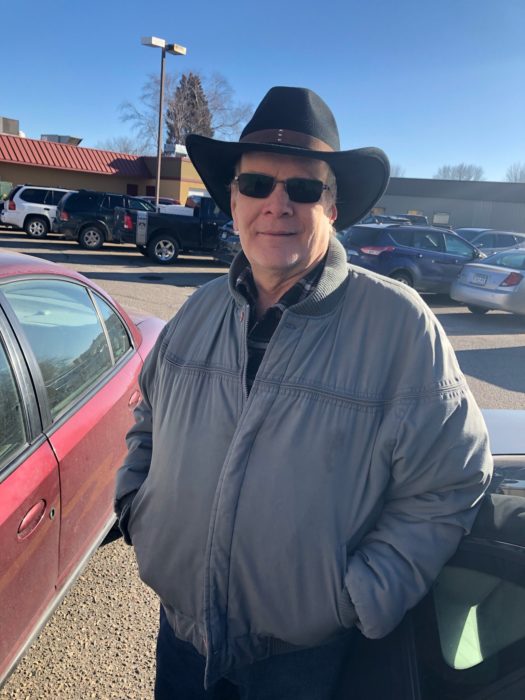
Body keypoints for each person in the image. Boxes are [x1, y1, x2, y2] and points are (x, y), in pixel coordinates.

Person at [115, 86, 492, 699]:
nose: (278, 204)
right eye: (257, 184)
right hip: (181, 641)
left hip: (302, 663)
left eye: (304, 188)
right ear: (233, 199)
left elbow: (450, 482)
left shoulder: (400, 327)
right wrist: (137, 506)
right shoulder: (197, 312)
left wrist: (362, 595)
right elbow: (148, 421)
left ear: (332, 206)